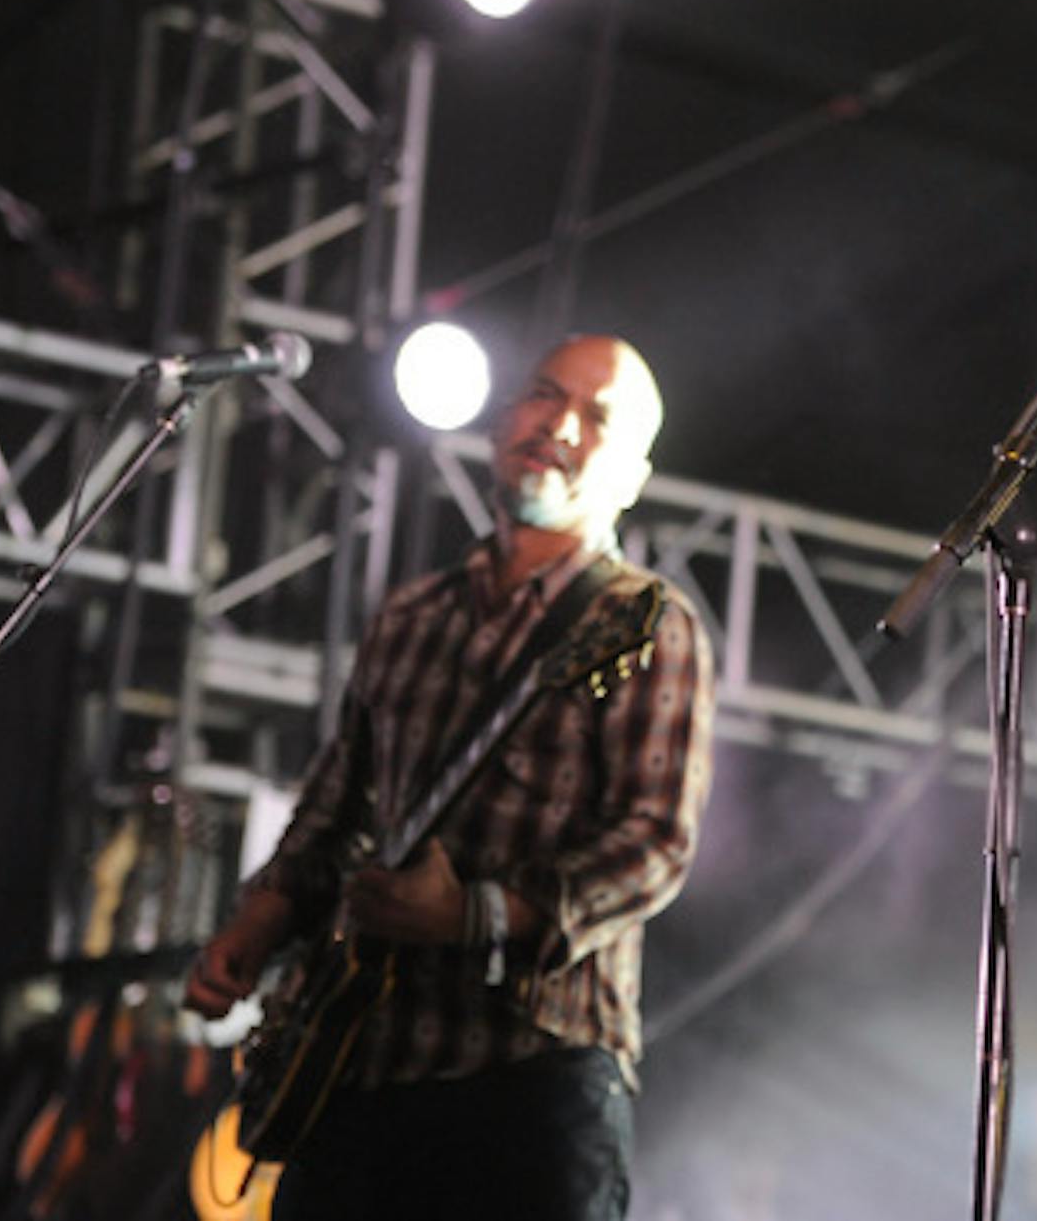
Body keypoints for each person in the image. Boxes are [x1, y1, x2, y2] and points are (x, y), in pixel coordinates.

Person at [185, 334, 712, 1221]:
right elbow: (336, 806)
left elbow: (654, 844)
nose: (560, 426)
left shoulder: (648, 623)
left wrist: (479, 914)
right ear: (504, 420)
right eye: (545, 395)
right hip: (361, 1066)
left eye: (596, 417)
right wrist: (260, 919)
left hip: (533, 1071)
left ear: (633, 476)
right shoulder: (410, 614)